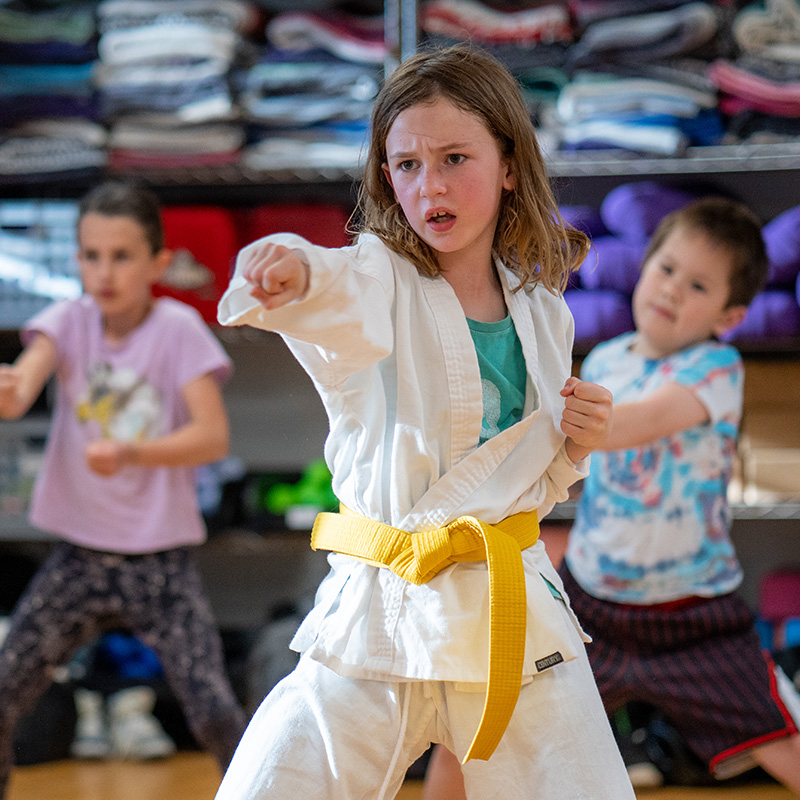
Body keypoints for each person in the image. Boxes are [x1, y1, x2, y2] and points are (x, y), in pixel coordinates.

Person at [214, 44, 635, 800]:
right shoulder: (381, 275)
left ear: (509, 163)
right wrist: (296, 270)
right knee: (272, 784)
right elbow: (337, 281)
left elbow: (539, 476)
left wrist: (579, 439)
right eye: (405, 165)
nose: (429, 184)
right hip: (382, 603)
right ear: (385, 177)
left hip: (508, 610)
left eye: (453, 158)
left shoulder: (545, 314)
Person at [0, 179, 247, 795]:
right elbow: (23, 385)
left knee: (214, 709)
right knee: (4, 691)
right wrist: (10, 387)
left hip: (159, 562)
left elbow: (212, 437)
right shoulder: (67, 321)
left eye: (122, 255)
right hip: (80, 556)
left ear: (159, 263)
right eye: (91, 256)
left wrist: (134, 450)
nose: (104, 273)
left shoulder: (178, 328)